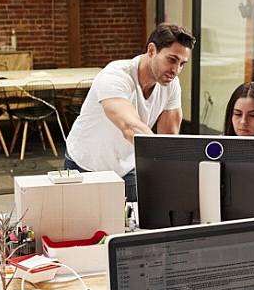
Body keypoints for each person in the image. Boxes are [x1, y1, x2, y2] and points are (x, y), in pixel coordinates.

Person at [63, 23, 193, 201]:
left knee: (134, 223)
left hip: (126, 166)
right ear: (152, 50)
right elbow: (130, 126)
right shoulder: (115, 76)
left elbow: (169, 135)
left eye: (182, 64)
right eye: (171, 60)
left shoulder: (171, 84)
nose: (176, 70)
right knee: (86, 227)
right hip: (86, 164)